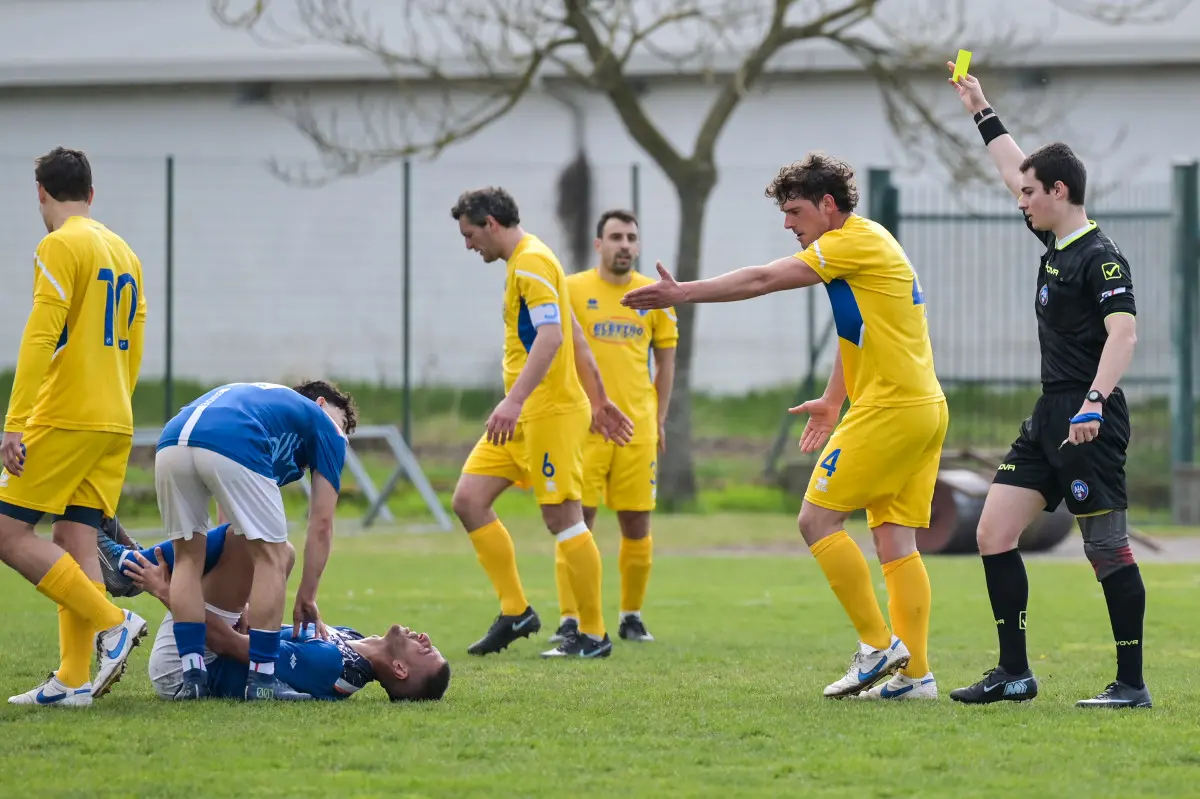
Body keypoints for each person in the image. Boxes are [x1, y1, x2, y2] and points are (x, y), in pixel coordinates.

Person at [623, 153, 948, 700]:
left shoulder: (849, 243)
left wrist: (682, 293)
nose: (788, 225)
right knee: (895, 538)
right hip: (924, 407)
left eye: (795, 212)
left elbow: (762, 279)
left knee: (816, 520)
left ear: (828, 205)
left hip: (891, 409)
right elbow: (859, 332)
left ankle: (877, 646)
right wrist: (832, 398)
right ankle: (915, 676)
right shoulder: (868, 242)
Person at [946, 65, 1148, 708]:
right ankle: (1014, 673)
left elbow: (1124, 336)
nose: (1021, 200)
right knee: (992, 533)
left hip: (1090, 417)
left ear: (1060, 192)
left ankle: (1131, 684)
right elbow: (1014, 169)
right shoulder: (1054, 242)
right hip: (1048, 416)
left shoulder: (1100, 257)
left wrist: (1093, 403)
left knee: (1106, 549)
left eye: (1032, 193)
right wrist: (981, 110)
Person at [450, 186, 634, 660]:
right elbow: (576, 335)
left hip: (547, 412)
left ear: (491, 223)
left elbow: (551, 338)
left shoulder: (531, 261)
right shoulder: (528, 261)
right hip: (524, 415)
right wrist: (600, 399)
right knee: (469, 500)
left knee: (563, 518)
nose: (468, 245)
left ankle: (592, 634)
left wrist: (512, 401)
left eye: (470, 234)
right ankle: (515, 612)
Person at [1, 147, 148, 708]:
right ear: (91, 193)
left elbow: (42, 335)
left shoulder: (59, 245)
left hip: (67, 413)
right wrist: (116, 410)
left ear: (40, 192)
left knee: (7, 534)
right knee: (74, 540)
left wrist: (15, 422)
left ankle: (113, 622)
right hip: (115, 418)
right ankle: (73, 680)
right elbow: (135, 343)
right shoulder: (125, 252)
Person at [154, 379, 357, 700]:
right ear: (320, 404)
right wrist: (307, 595)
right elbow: (321, 524)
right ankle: (262, 679)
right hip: (231, 437)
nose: (342, 434)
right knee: (274, 557)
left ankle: (193, 676)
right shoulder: (325, 427)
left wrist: (244, 600)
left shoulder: (273, 415)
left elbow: (231, 530)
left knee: (188, 557)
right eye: (342, 424)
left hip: (172, 437)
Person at [102, 523, 450, 702]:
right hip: (207, 644)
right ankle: (118, 543)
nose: (424, 638)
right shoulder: (351, 639)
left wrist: (164, 590)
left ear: (400, 670)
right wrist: (246, 611)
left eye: (426, 650)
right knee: (280, 552)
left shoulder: (332, 665)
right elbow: (257, 633)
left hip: (187, 668)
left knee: (245, 537)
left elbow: (227, 644)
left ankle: (127, 565)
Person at [549, 209, 677, 645]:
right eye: (616, 237)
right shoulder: (571, 289)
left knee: (637, 524)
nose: (625, 244)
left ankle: (631, 616)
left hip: (637, 428)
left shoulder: (654, 295)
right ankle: (571, 618)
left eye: (631, 238)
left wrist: (659, 418)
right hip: (584, 428)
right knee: (576, 522)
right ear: (598, 244)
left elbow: (666, 361)